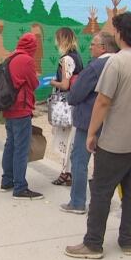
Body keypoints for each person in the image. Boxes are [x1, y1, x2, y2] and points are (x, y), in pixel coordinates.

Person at [65, 13, 131, 259]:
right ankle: (127, 241)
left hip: (115, 142)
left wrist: (91, 133)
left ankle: (93, 244)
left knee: (101, 192)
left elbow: (102, 101)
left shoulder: (117, 62)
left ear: (121, 34)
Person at [60, 32, 119, 214]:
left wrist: (70, 96)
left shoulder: (96, 67)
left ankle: (77, 202)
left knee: (79, 160)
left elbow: (76, 92)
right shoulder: (121, 64)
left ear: (103, 47)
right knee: (106, 164)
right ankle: (102, 203)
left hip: (89, 120)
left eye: (93, 44)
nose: (90, 47)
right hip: (113, 121)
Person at [1, 33, 42, 200]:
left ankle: (7, 180)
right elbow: (34, 83)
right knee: (21, 148)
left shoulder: (10, 57)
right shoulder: (26, 60)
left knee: (10, 144)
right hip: (21, 108)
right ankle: (20, 187)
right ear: (32, 46)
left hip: (8, 108)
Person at [49, 28, 84, 186]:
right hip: (76, 102)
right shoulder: (78, 57)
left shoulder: (66, 59)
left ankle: (66, 172)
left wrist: (52, 82)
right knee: (71, 139)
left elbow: (65, 84)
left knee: (66, 139)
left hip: (66, 104)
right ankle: (67, 171)